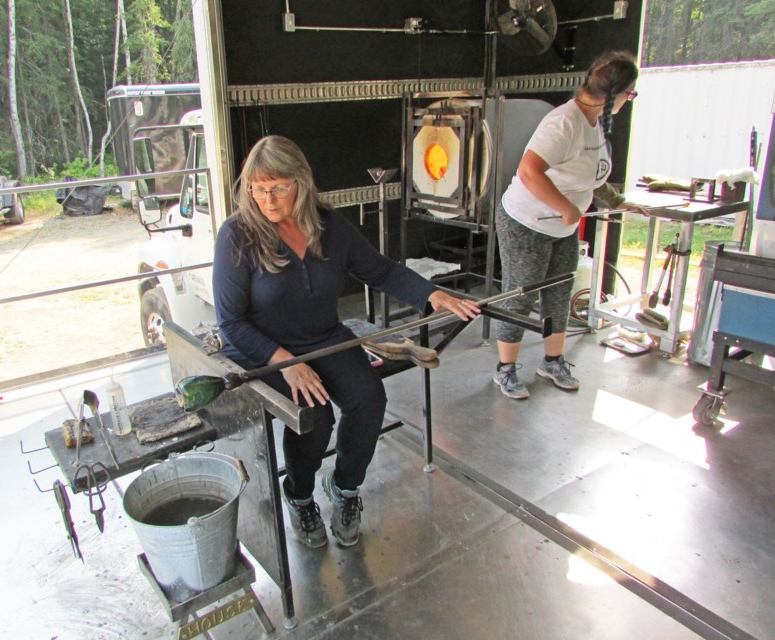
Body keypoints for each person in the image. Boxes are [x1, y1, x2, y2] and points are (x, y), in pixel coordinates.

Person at [212, 135, 480, 548]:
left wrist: (430, 294)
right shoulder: (237, 236)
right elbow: (230, 321)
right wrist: (285, 362)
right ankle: (299, 495)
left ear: (301, 182)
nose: (267, 199)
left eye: (278, 187)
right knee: (314, 417)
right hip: (264, 349)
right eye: (258, 188)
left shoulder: (329, 227)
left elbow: (381, 270)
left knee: (368, 398)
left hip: (324, 336)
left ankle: (344, 486)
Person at [493, 50, 648, 400]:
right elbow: (529, 172)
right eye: (631, 94)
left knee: (559, 293)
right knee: (520, 295)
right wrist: (565, 207)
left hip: (561, 227)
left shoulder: (595, 122)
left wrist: (619, 202)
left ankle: (552, 360)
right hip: (527, 222)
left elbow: (592, 175)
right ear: (616, 94)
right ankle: (505, 370)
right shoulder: (564, 122)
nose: (630, 101)